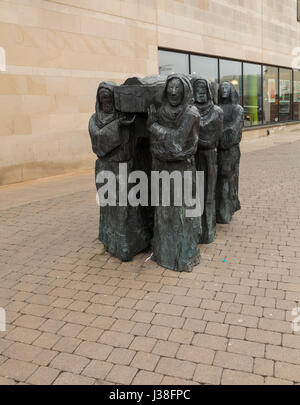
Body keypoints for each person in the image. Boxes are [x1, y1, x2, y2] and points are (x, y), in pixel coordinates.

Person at [89, 81, 150, 261]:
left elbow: (143, 133)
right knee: (109, 207)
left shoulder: (127, 118)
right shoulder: (95, 119)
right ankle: (112, 240)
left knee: (127, 207)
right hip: (105, 167)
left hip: (125, 167)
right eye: (103, 98)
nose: (106, 101)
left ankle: (131, 243)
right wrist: (118, 125)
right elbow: (99, 142)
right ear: (99, 100)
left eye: (109, 98)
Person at [147, 74, 201, 272]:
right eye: (170, 87)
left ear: (185, 90)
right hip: (163, 169)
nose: (173, 92)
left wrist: (154, 127)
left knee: (181, 213)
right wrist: (162, 144)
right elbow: (156, 146)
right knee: (164, 213)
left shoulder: (191, 112)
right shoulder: (162, 110)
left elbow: (178, 142)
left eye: (178, 88)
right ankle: (164, 253)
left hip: (182, 169)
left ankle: (183, 256)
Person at [191, 76, 223, 243]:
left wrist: (196, 140)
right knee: (193, 193)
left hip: (209, 156)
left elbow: (215, 138)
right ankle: (194, 230)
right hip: (192, 156)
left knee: (208, 193)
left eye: (204, 90)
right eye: (198, 90)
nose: (201, 93)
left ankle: (208, 231)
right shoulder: (190, 110)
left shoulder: (217, 111)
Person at [217, 81, 244, 224]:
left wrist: (218, 138)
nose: (224, 90)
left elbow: (234, 129)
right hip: (217, 151)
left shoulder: (237, 109)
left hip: (230, 150)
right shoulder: (217, 108)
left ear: (232, 90)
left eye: (227, 87)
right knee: (218, 181)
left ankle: (226, 210)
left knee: (228, 178)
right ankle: (219, 210)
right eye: (222, 88)